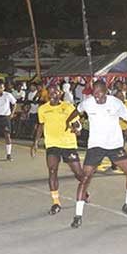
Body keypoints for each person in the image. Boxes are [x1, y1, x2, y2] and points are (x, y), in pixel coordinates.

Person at [67, 80, 127, 229]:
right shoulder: (88, 103)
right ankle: (78, 215)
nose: (97, 98)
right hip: (96, 146)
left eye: (100, 94)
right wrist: (70, 121)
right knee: (85, 178)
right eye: (94, 95)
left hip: (115, 145)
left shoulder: (116, 103)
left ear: (106, 91)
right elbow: (76, 111)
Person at [31, 86, 84, 215]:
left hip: (68, 144)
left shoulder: (68, 107)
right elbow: (41, 126)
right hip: (52, 144)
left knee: (78, 173)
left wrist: (78, 129)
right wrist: (36, 142)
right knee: (52, 170)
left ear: (60, 93)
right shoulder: (43, 109)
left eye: (55, 92)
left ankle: (84, 191)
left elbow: (77, 123)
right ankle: (56, 202)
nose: (53, 94)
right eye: (50, 92)